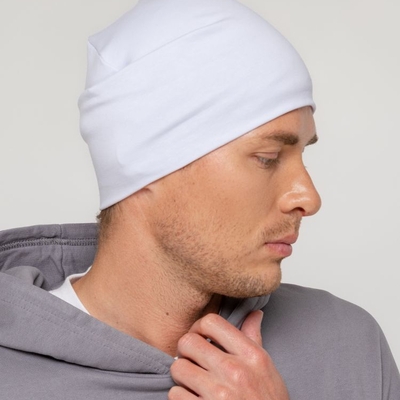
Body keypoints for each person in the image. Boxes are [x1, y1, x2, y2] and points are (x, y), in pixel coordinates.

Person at [0, 0, 399, 399]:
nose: (308, 198)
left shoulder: (348, 348)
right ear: (146, 163)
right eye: (268, 158)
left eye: (303, 154)